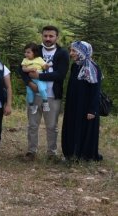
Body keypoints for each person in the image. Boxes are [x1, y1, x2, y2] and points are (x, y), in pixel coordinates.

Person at [20, 26, 69, 161]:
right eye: (45, 36)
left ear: (56, 37)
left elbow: (60, 74)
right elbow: (22, 68)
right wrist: (30, 83)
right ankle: (31, 151)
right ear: (42, 36)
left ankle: (52, 153)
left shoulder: (62, 53)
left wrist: (39, 77)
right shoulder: (35, 49)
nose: (48, 39)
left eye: (51, 36)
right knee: (32, 124)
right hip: (35, 95)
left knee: (52, 126)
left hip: (53, 95)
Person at [61, 41, 102, 161]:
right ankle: (71, 153)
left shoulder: (93, 68)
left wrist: (92, 110)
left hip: (86, 106)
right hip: (73, 104)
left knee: (85, 130)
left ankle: (85, 156)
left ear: (83, 52)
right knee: (72, 127)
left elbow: (95, 91)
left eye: (74, 51)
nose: (71, 53)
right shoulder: (75, 66)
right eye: (71, 50)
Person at [21, 43, 49, 114]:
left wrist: (46, 66)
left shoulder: (39, 59)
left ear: (34, 52)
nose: (26, 54)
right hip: (31, 79)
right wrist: (30, 69)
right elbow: (23, 69)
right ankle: (32, 106)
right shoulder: (25, 60)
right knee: (29, 93)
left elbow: (44, 66)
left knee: (42, 89)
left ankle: (45, 103)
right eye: (25, 52)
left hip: (39, 78)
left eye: (28, 52)